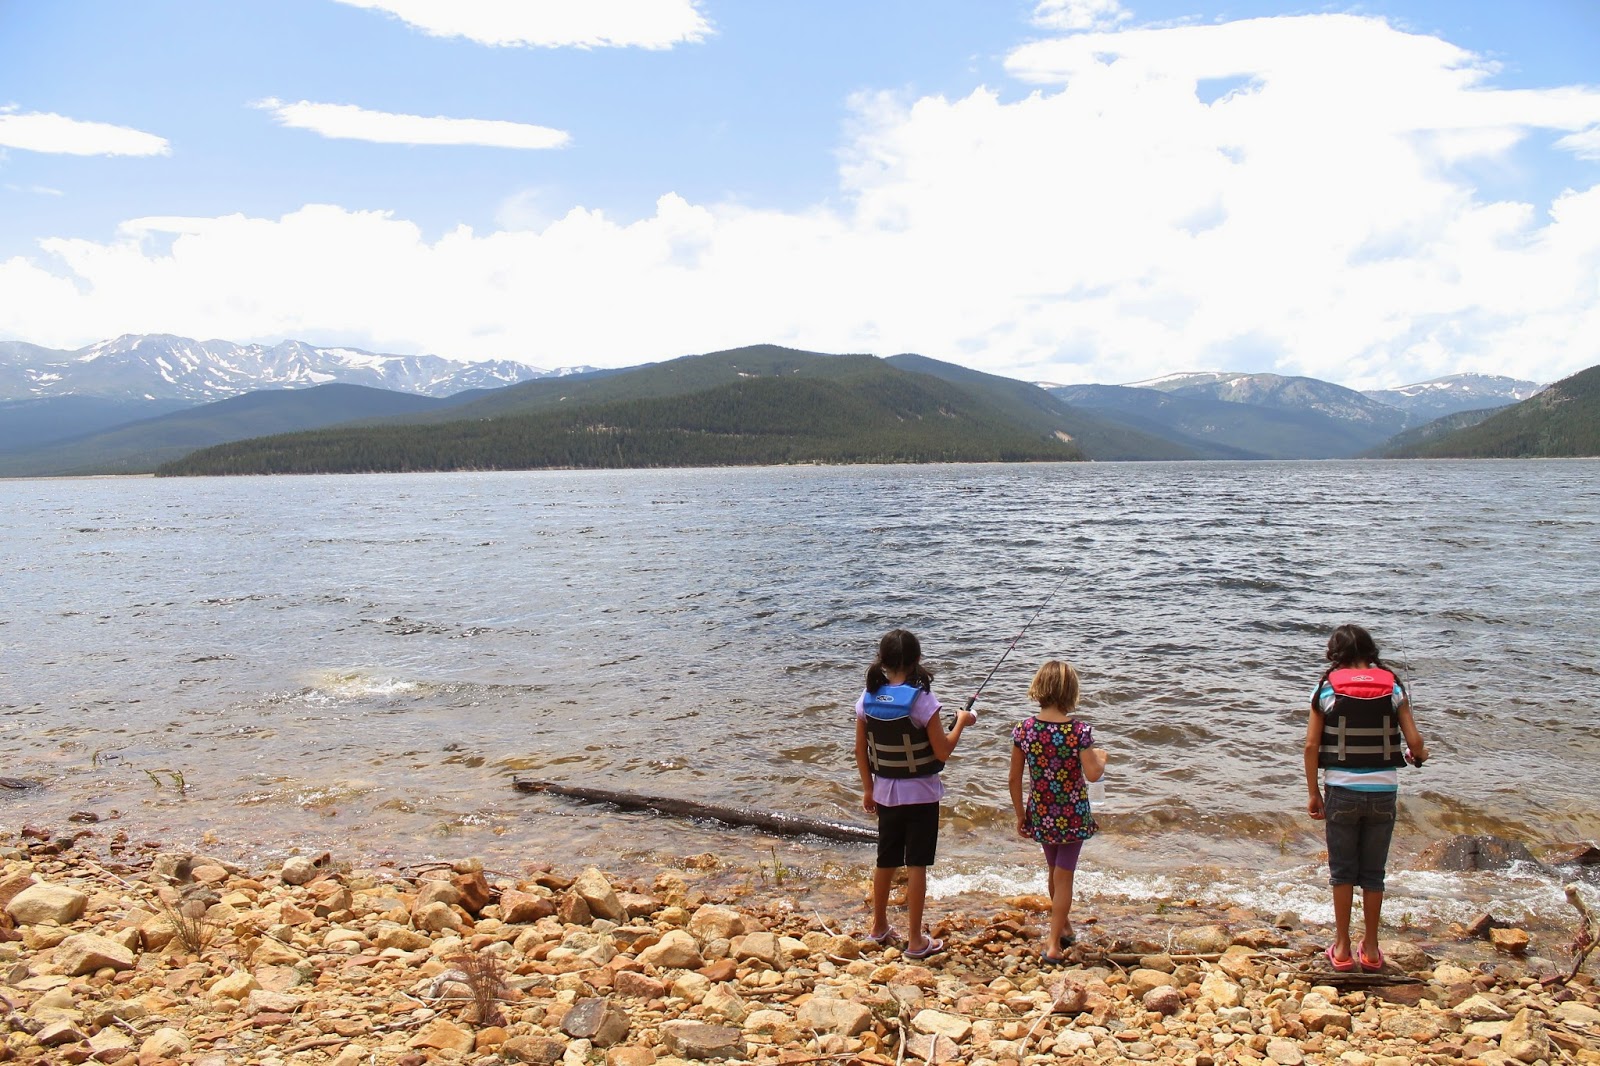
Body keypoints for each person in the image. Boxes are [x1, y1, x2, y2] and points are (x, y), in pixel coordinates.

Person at [1303, 623, 1429, 974]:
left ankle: (1342, 949)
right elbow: (1415, 744)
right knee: (1374, 874)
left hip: (1341, 791)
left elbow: (1311, 746)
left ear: (1335, 652)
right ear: (1371, 649)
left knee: (1342, 872)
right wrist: (1420, 754)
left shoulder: (1327, 687)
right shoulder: (1392, 686)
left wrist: (1314, 793)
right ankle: (1371, 950)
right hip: (1384, 792)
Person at [854, 628, 975, 959]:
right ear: (917, 660)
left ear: (882, 661)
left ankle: (878, 926)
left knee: (886, 860)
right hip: (921, 794)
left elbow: (860, 752)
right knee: (917, 863)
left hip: (885, 793)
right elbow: (943, 751)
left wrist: (868, 789)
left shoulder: (866, 700)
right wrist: (962, 722)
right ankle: (915, 940)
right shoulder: (923, 702)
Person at [1009, 659, 1107, 965]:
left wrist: (1019, 815)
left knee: (1054, 872)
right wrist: (1102, 758)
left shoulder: (1024, 729)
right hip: (1073, 815)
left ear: (1039, 688)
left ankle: (1063, 926)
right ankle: (1053, 943)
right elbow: (1092, 774)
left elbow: (1013, 779)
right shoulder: (1079, 731)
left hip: (1041, 811)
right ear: (1070, 692)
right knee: (1064, 877)